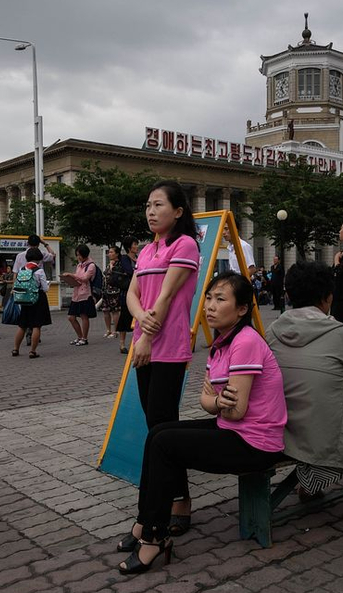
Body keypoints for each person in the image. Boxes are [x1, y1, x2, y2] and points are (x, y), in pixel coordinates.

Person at [115, 272, 285, 574]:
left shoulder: (245, 342)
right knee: (157, 433)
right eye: (208, 298)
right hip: (232, 431)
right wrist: (219, 403)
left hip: (255, 443)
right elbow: (207, 403)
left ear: (243, 308)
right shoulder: (220, 344)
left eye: (220, 299)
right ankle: (145, 522)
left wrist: (217, 403)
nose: (209, 306)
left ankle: (154, 537)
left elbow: (234, 411)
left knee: (166, 444)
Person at [126, 180, 200, 532]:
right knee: (156, 427)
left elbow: (166, 298)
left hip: (167, 349)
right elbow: (133, 294)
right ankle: (173, 499)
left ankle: (178, 502)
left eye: (158, 205)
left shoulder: (185, 244)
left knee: (163, 427)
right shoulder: (146, 250)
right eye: (147, 205)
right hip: (144, 346)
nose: (151, 212)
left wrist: (145, 336)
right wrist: (139, 324)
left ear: (178, 211)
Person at [267, 261, 343, 498]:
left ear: (288, 294)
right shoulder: (340, 334)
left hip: (281, 429)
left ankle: (308, 482)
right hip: (322, 437)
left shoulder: (271, 331)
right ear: (328, 298)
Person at [12, 248, 51, 358]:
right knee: (36, 325)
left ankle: (15, 349)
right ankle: (32, 351)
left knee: (22, 325)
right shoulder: (39, 271)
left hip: (24, 299)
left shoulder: (21, 269)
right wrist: (48, 284)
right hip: (37, 299)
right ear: (39, 259)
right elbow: (45, 288)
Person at [61, 244, 98, 346]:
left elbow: (84, 278)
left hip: (85, 294)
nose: (78, 257)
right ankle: (80, 336)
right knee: (71, 317)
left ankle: (84, 338)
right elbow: (78, 278)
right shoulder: (79, 265)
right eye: (77, 255)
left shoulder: (91, 266)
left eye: (79, 255)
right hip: (76, 294)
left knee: (83, 316)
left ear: (85, 255)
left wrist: (71, 275)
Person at [115, 237, 140, 354]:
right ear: (129, 246)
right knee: (125, 317)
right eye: (134, 244)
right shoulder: (125, 258)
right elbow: (130, 271)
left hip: (138, 291)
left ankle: (136, 342)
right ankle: (122, 344)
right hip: (127, 293)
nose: (136, 246)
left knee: (136, 317)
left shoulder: (138, 258)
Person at [100, 246, 124, 339]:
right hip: (106, 290)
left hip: (114, 290)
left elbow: (114, 274)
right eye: (108, 252)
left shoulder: (119, 264)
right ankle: (108, 330)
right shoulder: (109, 263)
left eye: (111, 252)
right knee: (105, 310)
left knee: (115, 310)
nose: (109, 254)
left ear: (117, 253)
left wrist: (111, 266)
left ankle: (116, 330)